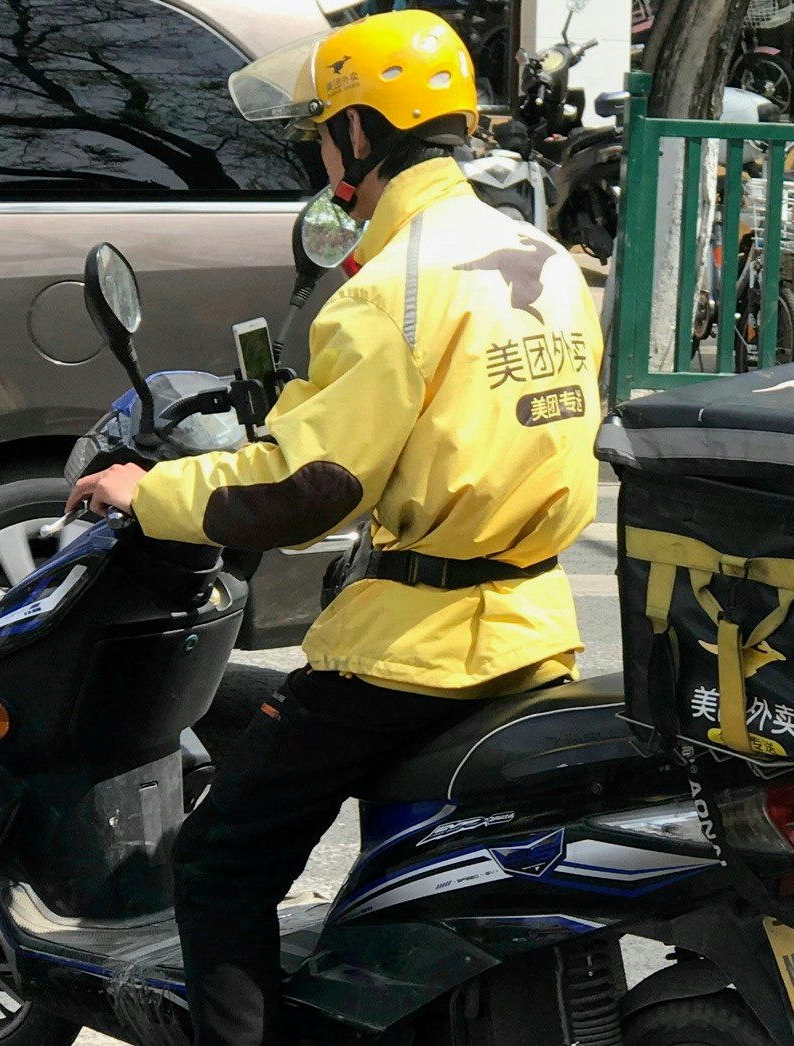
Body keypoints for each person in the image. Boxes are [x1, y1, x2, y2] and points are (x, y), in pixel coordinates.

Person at [64, 10, 604, 1044]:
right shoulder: (546, 261)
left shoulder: (390, 293)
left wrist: (152, 492)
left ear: (361, 136)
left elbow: (309, 487)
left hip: (416, 650)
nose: (321, 150)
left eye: (326, 129)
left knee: (221, 860)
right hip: (535, 622)